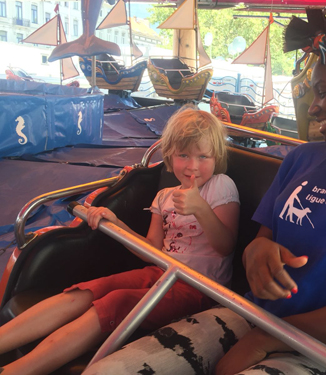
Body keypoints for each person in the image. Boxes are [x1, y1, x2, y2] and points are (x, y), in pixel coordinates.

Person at [84, 9, 326, 375]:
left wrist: (265, 339)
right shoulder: (303, 159)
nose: (314, 107)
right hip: (250, 314)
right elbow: (261, 240)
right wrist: (257, 252)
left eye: (322, 91)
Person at [0, 107, 240, 375]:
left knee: (116, 301)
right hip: (159, 272)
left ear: (216, 158)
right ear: (171, 157)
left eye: (202, 156)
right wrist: (116, 223)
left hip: (200, 288)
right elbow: (150, 251)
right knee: (89, 290)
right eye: (184, 155)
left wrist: (201, 208)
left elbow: (225, 246)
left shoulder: (221, 186)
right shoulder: (163, 196)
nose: (193, 166)